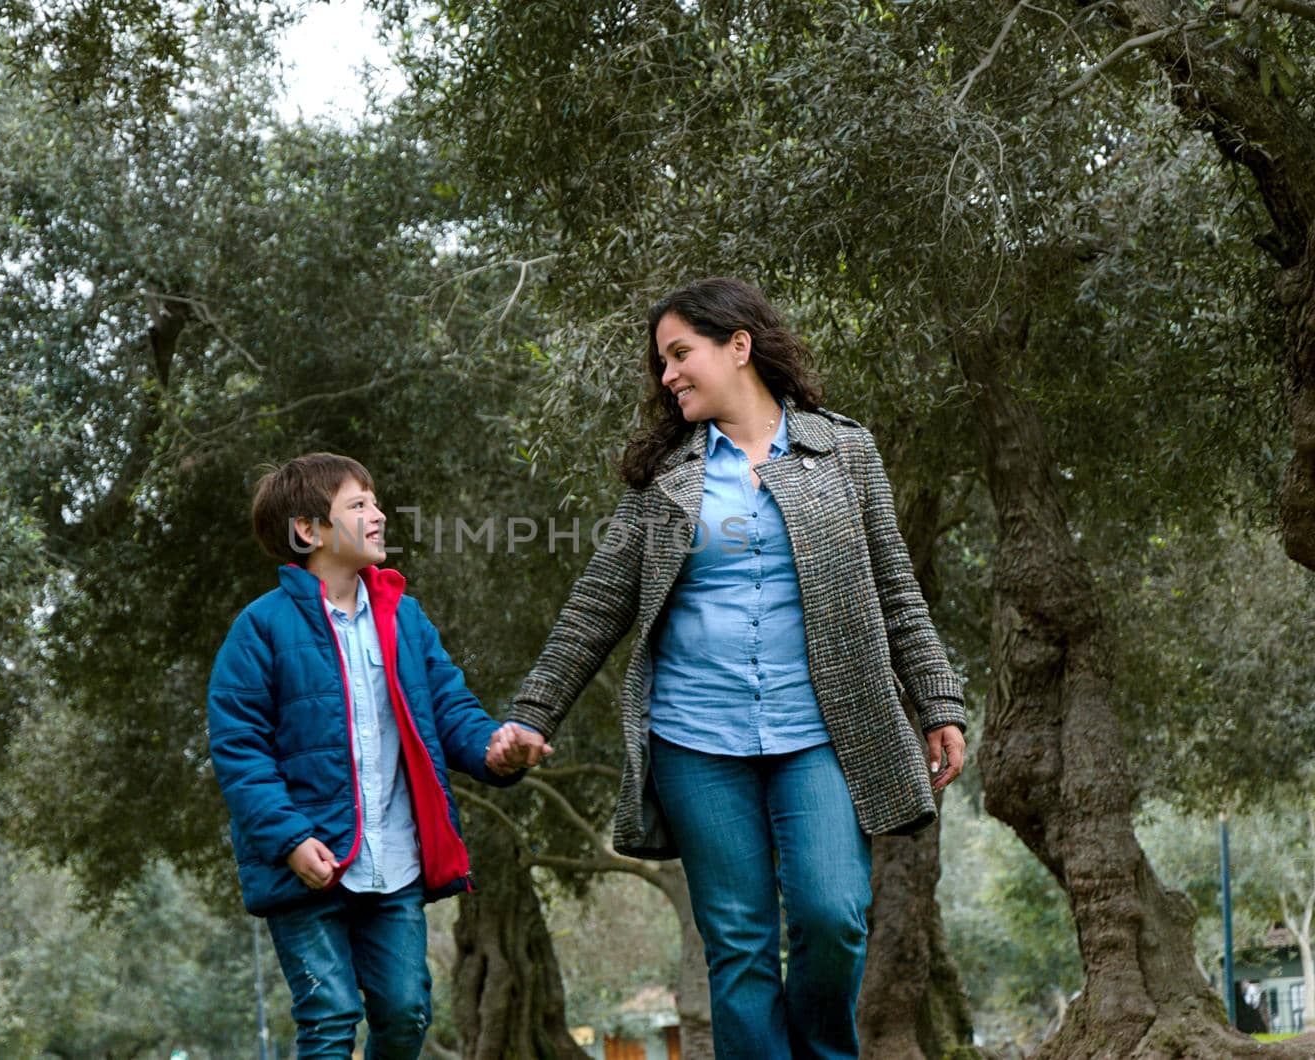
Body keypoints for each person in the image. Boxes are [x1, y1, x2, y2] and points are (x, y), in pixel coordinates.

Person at [491, 278, 967, 1058]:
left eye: (682, 354)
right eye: (663, 363)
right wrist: (533, 714)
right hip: (696, 742)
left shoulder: (843, 451)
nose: (669, 374)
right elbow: (595, 607)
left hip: (816, 732)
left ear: (738, 346)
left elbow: (895, 587)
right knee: (740, 946)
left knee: (832, 915)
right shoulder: (666, 480)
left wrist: (938, 700)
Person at [208, 453, 542, 1058]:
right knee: (330, 1017)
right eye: (359, 505)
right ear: (309, 531)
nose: (379, 515)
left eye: (375, 501)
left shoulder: (405, 620)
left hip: (395, 863)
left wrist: (496, 749)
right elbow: (239, 750)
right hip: (309, 863)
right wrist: (288, 839)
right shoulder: (260, 629)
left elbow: (450, 710)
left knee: (407, 1011)